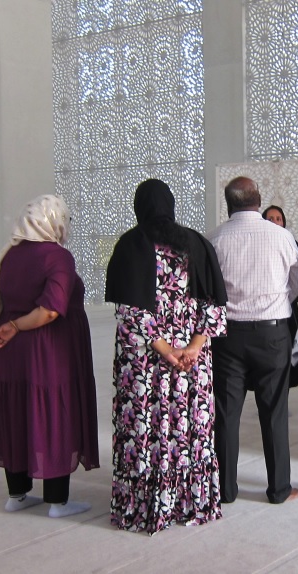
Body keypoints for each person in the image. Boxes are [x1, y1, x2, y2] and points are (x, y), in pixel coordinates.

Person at [104, 179, 229, 534]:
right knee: (189, 432)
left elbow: (130, 313)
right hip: (193, 365)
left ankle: (145, 508)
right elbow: (215, 307)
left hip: (147, 365)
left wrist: (165, 350)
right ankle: (190, 504)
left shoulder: (131, 245)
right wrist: (192, 348)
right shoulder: (197, 245)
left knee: (146, 430)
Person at [0, 194, 99, 518]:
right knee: (53, 413)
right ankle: (56, 500)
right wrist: (17, 326)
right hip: (47, 349)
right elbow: (50, 311)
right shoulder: (57, 257)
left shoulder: (9, 254)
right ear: (52, 221)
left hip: (11, 353)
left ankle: (17, 494)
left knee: (18, 411)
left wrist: (10, 328)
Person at [207, 177, 298, 504]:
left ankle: (224, 490)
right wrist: (276, 305)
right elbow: (295, 282)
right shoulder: (282, 236)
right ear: (258, 201)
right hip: (272, 333)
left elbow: (208, 291)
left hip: (227, 336)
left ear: (228, 202)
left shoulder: (216, 239)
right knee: (274, 411)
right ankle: (279, 489)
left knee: (226, 413)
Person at [263, 205, 298, 388]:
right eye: (270, 219)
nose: (274, 222)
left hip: (287, 307)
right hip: (265, 309)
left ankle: (282, 397)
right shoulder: (259, 242)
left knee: (288, 354)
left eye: (278, 218)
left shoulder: (291, 242)